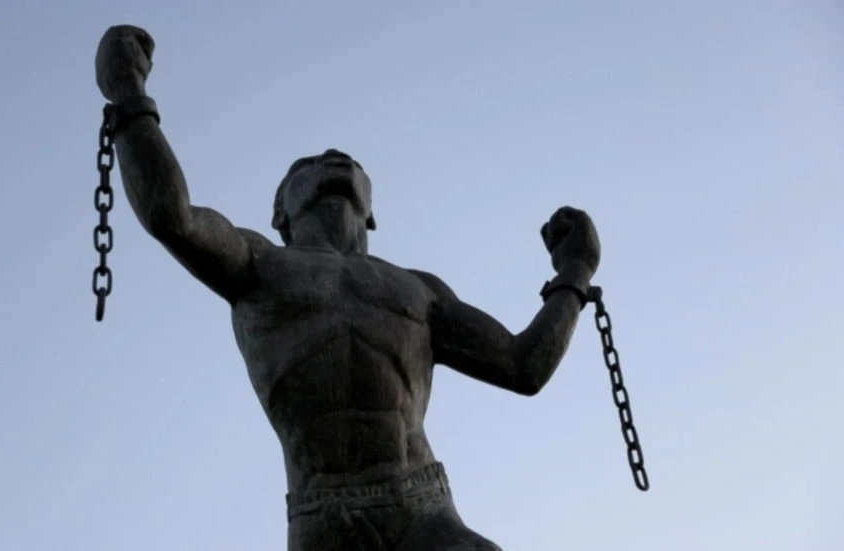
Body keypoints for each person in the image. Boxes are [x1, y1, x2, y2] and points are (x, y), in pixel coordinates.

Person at [95, 25, 602, 551]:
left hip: (423, 505)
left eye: (352, 165)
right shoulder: (257, 263)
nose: (333, 158)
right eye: (307, 165)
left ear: (372, 210)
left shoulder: (420, 292)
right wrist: (129, 95)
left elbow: (523, 366)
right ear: (279, 211)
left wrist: (575, 273)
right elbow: (171, 215)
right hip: (322, 510)